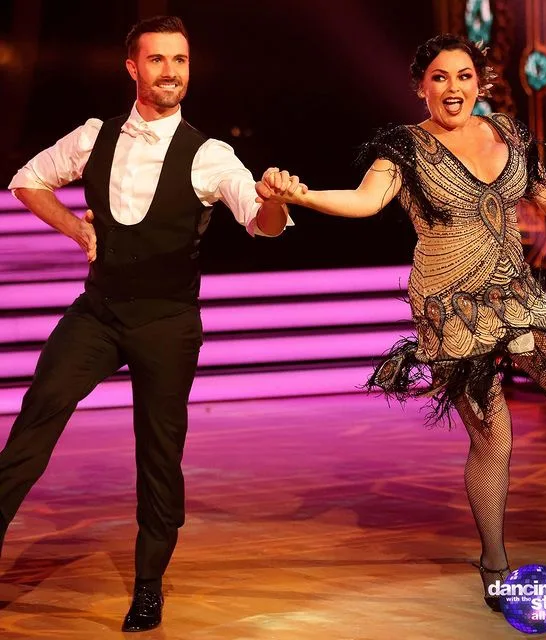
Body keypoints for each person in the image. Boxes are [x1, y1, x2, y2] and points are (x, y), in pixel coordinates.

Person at [257, 34, 546, 612]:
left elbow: (543, 189)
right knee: (493, 434)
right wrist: (301, 196)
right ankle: (494, 560)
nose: (453, 88)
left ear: (479, 83)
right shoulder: (405, 148)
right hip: (448, 303)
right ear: (421, 87)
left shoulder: (506, 132)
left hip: (509, 287)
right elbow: (365, 202)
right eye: (439, 77)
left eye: (463, 76)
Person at [1, 15, 300, 632]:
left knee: (159, 456)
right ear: (132, 67)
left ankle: (147, 586)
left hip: (167, 322)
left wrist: (273, 201)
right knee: (34, 424)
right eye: (158, 59)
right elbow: (27, 180)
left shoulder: (209, 154)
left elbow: (261, 223)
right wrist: (75, 227)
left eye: (180, 60)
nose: (171, 71)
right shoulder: (94, 136)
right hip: (98, 312)